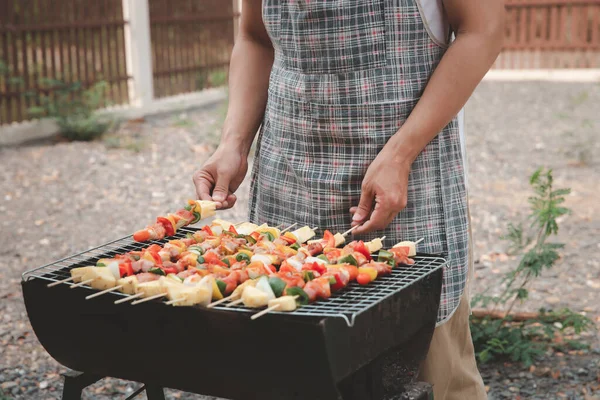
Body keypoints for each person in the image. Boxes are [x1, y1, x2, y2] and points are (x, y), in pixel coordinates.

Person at [193, 1, 504, 398]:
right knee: (288, 364)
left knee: (429, 372)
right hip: (287, 179)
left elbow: (485, 29)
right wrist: (233, 142)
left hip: (406, 181)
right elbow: (256, 38)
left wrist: (400, 155)